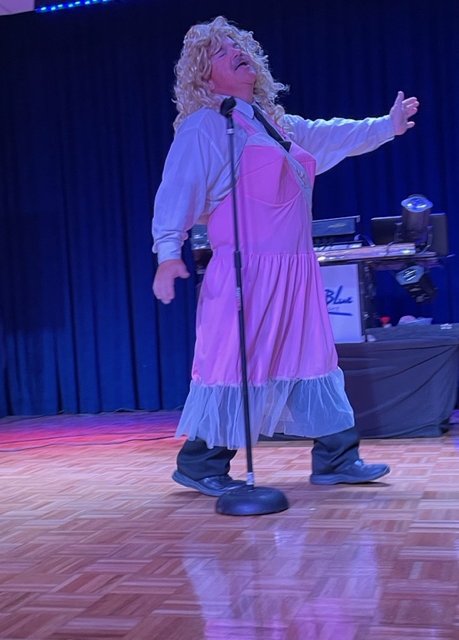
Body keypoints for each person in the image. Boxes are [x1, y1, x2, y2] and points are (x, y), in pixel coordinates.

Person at [152, 16, 419, 497]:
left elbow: (331, 135)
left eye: (237, 44)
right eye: (220, 51)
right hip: (247, 273)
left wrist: (386, 126)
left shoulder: (274, 124)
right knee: (237, 364)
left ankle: (337, 457)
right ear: (204, 76)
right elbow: (177, 190)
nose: (236, 52)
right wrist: (168, 252)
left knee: (314, 358)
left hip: (296, 270)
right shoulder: (208, 127)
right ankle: (201, 462)